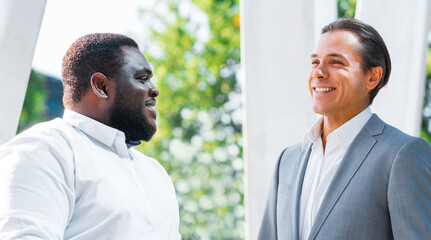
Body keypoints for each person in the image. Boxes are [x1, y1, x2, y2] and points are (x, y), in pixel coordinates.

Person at [258, 18, 431, 239]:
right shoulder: (287, 160)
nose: (319, 72)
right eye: (315, 62)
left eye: (336, 62)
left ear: (372, 77)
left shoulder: (402, 155)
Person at [0, 33, 180, 239]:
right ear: (101, 86)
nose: (154, 90)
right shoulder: (44, 149)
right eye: (142, 79)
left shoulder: (155, 173)